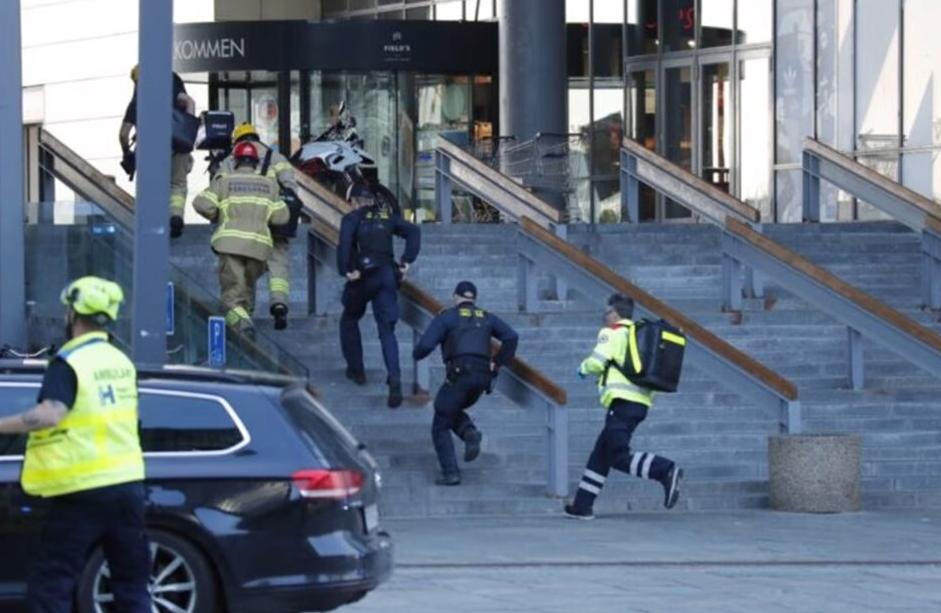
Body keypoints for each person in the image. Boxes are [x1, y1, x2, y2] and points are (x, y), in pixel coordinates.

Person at [0, 276, 151, 613]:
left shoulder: (69, 362)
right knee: (132, 587)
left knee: (52, 585)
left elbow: (51, 414)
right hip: (128, 488)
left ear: (72, 314)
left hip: (81, 490)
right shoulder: (120, 362)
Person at [565, 293, 683, 520]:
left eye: (606, 313)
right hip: (639, 404)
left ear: (615, 314)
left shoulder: (613, 333)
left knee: (617, 455)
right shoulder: (639, 334)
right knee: (601, 453)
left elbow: (597, 362)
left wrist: (583, 368)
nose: (605, 317)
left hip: (621, 403)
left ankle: (665, 470)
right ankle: (582, 505)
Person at [412, 281, 519, 486]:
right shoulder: (486, 317)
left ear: (456, 297)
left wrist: (417, 355)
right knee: (447, 408)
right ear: (474, 299)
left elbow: (426, 344)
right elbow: (511, 337)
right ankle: (468, 432)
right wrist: (496, 363)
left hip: (460, 375)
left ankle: (451, 473)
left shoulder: (448, 317)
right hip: (482, 380)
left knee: (440, 423)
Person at [193, 141, 289, 338]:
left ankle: (243, 327)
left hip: (229, 245)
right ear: (255, 162)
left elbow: (201, 203)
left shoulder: (224, 182)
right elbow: (282, 217)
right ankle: (245, 332)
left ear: (235, 161)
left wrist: (216, 214)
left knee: (231, 297)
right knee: (246, 291)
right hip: (258, 249)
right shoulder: (269, 185)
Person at [337, 182, 420, 408]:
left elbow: (344, 244)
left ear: (353, 202)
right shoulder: (387, 216)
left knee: (350, 318)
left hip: (363, 276)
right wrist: (406, 261)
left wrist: (346, 270)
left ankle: (357, 370)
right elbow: (414, 231)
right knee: (387, 331)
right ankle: (394, 377)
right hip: (387, 275)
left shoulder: (352, 219)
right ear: (372, 201)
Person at [218, 122, 302, 330]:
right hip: (276, 220)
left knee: (245, 272)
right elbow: (291, 187)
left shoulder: (230, 160)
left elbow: (218, 189)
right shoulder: (277, 157)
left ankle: (245, 313)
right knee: (278, 264)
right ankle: (279, 302)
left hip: (247, 227)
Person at [118, 64, 197, 239]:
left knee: (150, 187)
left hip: (150, 148)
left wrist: (126, 153)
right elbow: (189, 102)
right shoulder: (173, 81)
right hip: (178, 144)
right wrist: (187, 129)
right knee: (177, 185)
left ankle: (151, 225)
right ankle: (175, 216)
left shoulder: (138, 101)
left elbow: (124, 134)